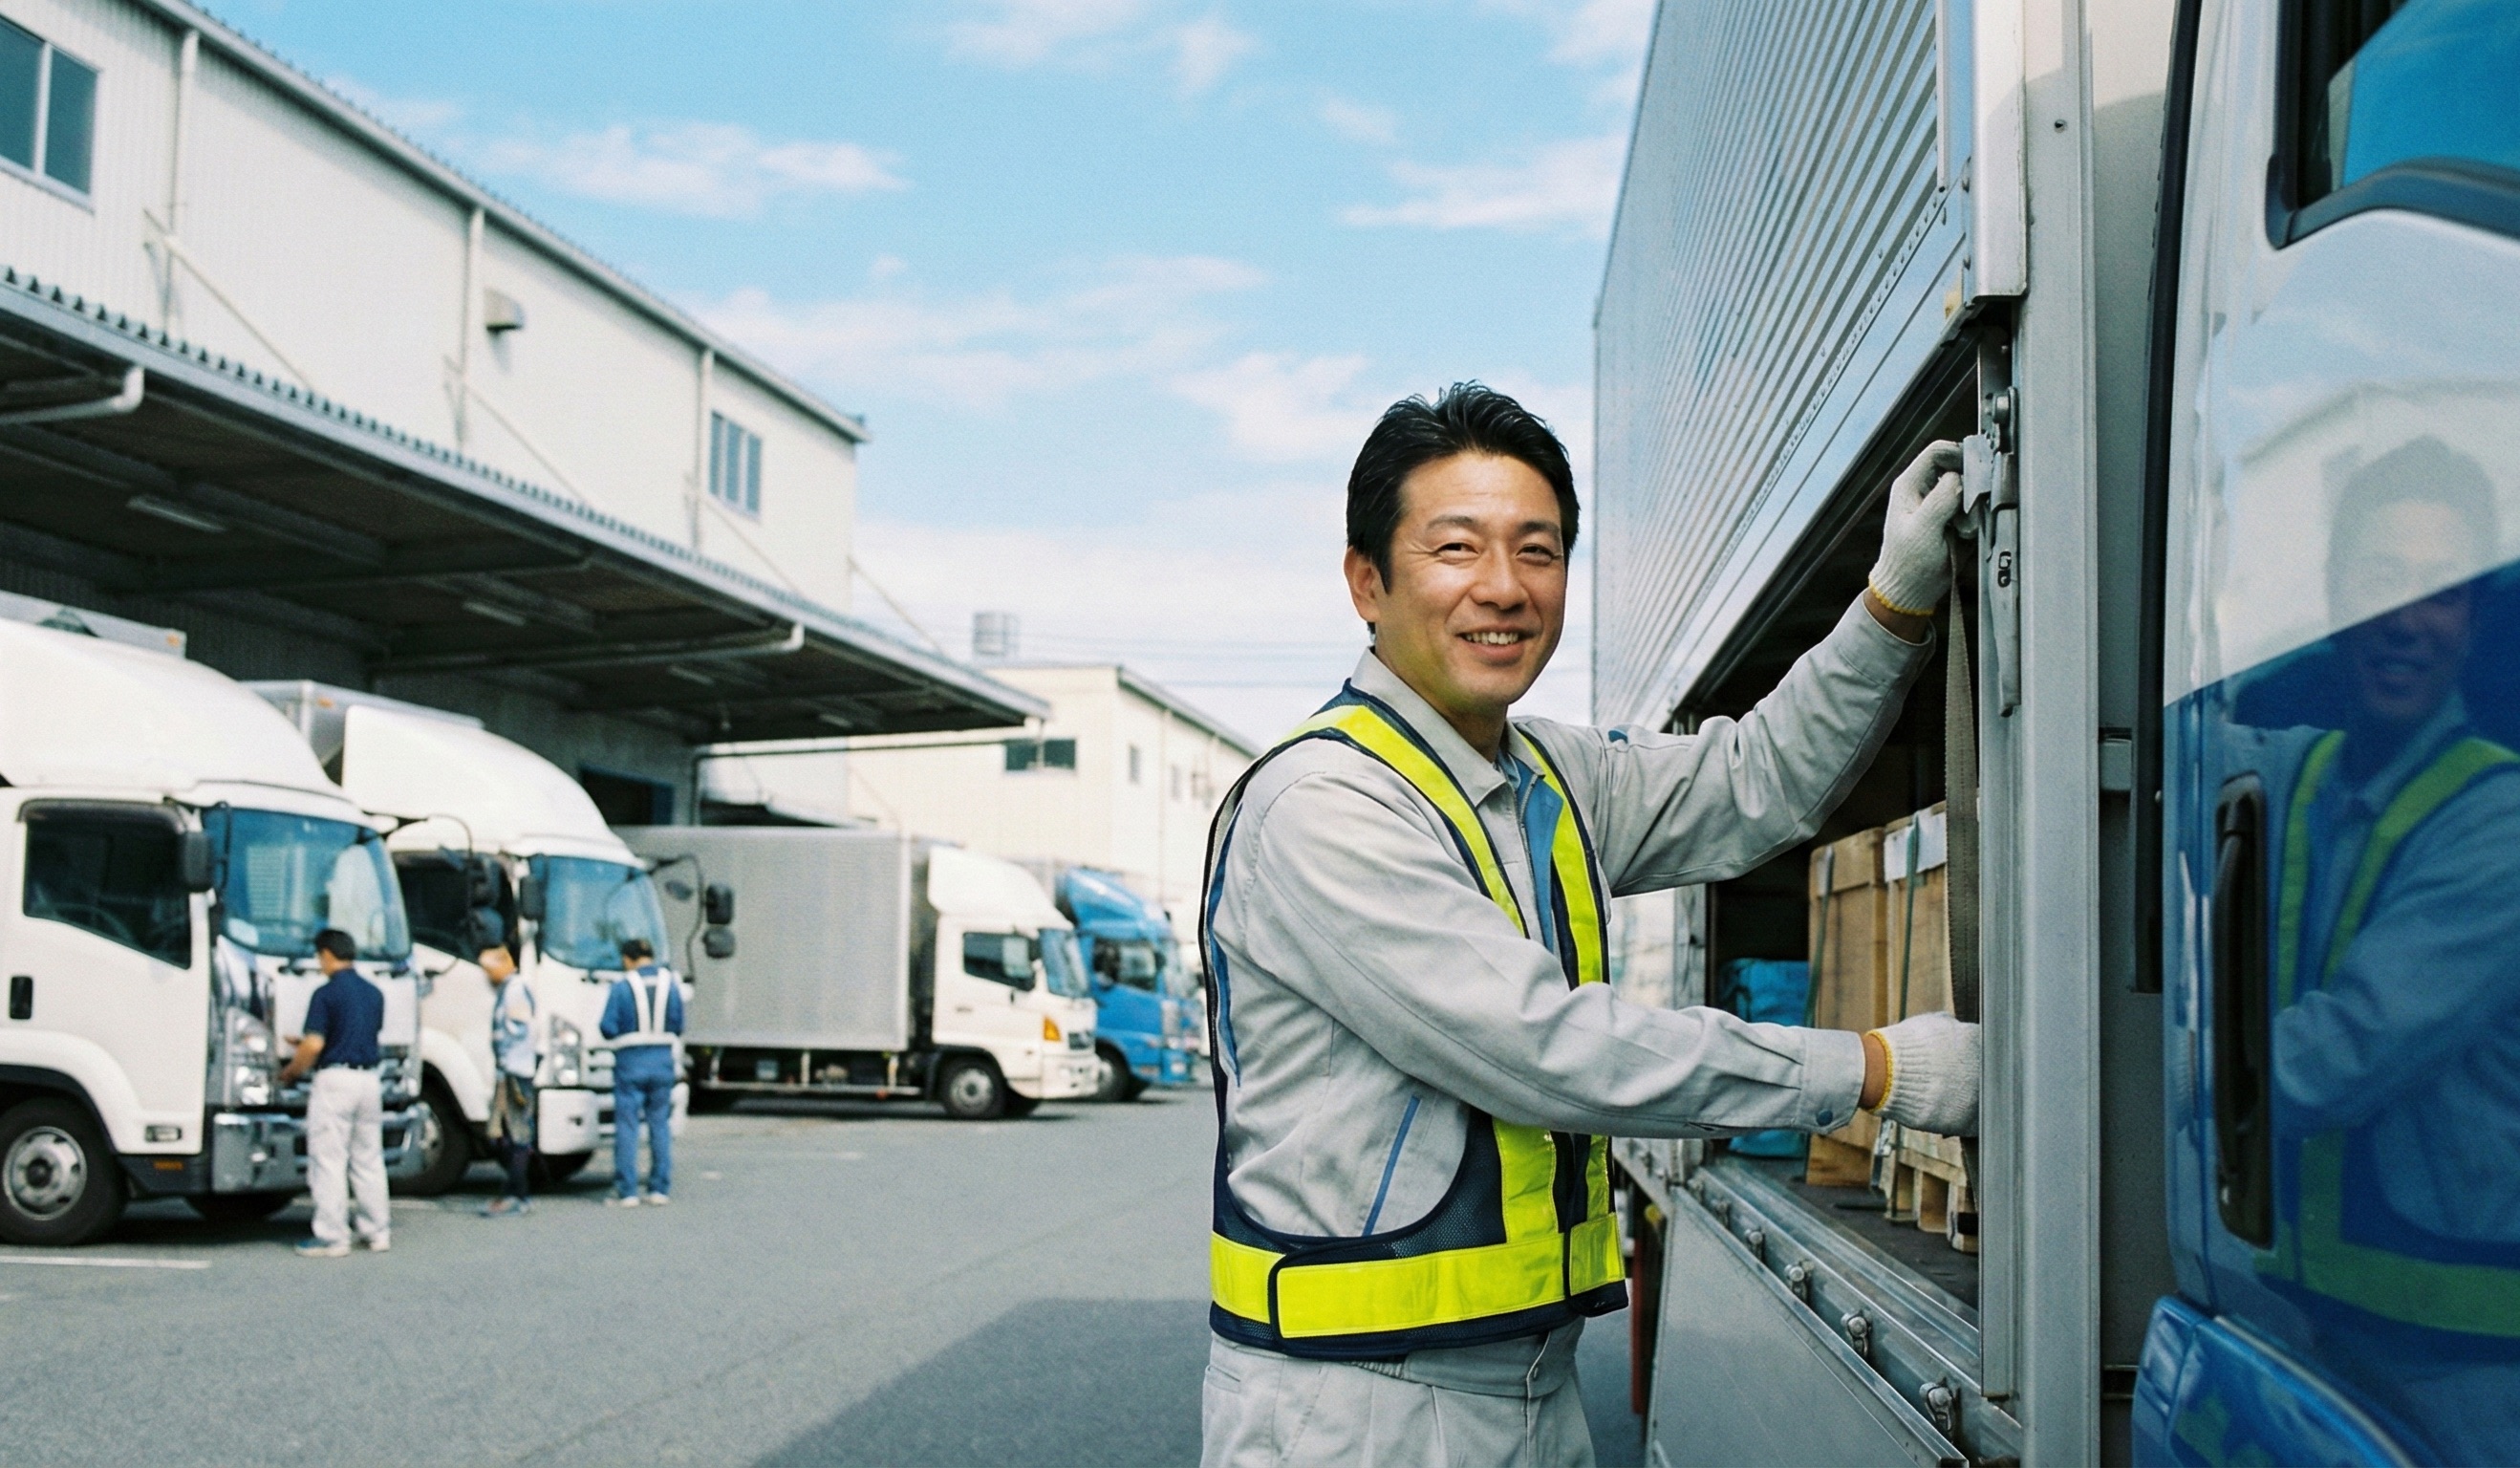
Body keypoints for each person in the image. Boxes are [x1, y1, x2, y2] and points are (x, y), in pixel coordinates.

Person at [1198, 384, 1981, 1468]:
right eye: (1457, 548)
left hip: (1529, 1385)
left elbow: (1755, 781)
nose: (1504, 587)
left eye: (1539, 550)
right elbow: (1540, 1048)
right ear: (1366, 581)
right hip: (1359, 1411)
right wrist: (1875, 1071)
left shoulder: (1544, 773)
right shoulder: (1322, 805)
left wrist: (1890, 604)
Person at [2244, 438, 2520, 1462]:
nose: (2407, 617)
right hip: (2320, 1333)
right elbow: (2155, 748)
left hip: (2467, 1372)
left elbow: (2338, 1057)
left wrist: (2133, 1078)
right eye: (2379, 579)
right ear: (2330, 602)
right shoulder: (2306, 775)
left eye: (2439, 589)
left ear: (2472, 619)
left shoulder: (2499, 821)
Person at [280, 928, 391, 1258]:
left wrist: (292, 1070)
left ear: (327, 954)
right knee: (368, 1159)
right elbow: (357, 1034)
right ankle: (377, 1231)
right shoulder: (374, 993)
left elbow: (316, 1044)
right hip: (369, 1080)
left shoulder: (325, 994)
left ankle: (333, 1236)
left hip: (335, 1080)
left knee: (329, 1159)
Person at [600, 938, 683, 1207]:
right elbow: (678, 1024)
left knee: (628, 1126)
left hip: (630, 1063)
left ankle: (628, 1191)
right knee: (659, 1124)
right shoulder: (670, 985)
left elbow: (607, 1027)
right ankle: (659, 1188)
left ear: (628, 959)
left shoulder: (622, 986)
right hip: (662, 1063)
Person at [480, 942, 537, 1218]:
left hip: (515, 1071)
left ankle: (517, 1194)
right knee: (507, 1133)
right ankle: (515, 1192)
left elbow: (518, 1029)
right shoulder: (511, 989)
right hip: (512, 1069)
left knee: (516, 1134)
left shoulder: (515, 991)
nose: (486, 976)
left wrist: (504, 1057)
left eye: (488, 970)